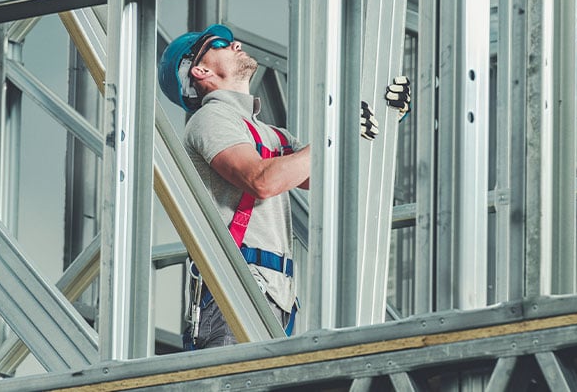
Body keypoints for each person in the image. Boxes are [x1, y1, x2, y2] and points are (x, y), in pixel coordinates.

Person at [157, 24, 410, 349]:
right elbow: (262, 180)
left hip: (275, 300)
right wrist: (338, 133)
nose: (235, 44)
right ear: (200, 70)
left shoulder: (272, 135)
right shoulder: (210, 119)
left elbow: (331, 175)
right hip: (234, 293)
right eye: (220, 43)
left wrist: (385, 121)